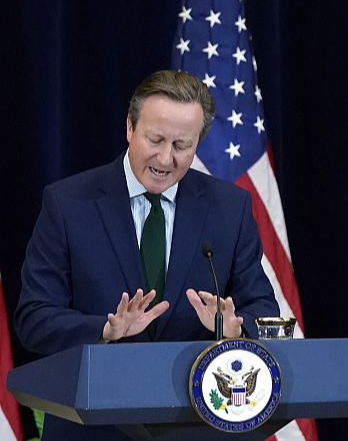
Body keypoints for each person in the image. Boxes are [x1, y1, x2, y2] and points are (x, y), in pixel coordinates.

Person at [15, 70, 280, 439]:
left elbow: (263, 309)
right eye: (155, 139)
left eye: (182, 145)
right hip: (96, 429)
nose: (166, 158)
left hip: (197, 427)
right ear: (130, 127)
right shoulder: (67, 204)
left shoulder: (229, 209)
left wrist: (235, 329)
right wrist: (105, 330)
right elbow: (34, 317)